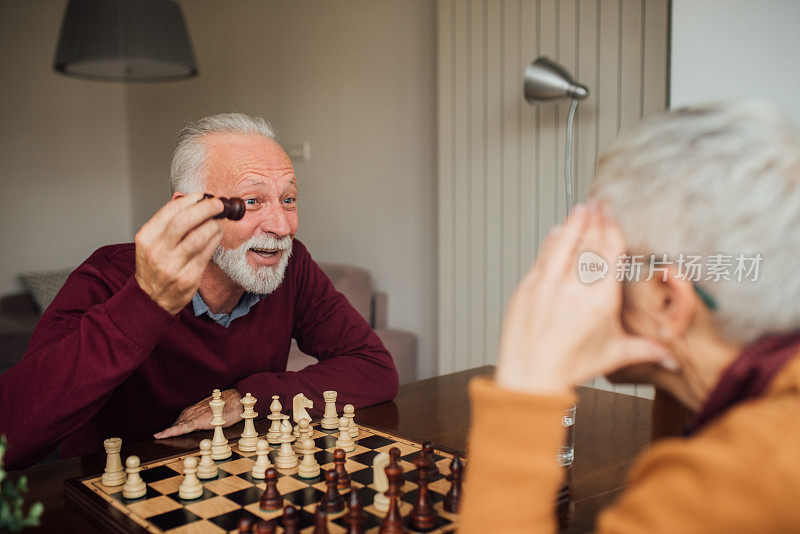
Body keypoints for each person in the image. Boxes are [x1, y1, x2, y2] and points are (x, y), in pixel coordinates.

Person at [460, 102, 800, 532]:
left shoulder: (734, 483)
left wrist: (527, 385)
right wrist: (672, 357)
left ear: (667, 300)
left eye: (605, 256)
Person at [0, 113, 398, 469]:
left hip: (241, 478)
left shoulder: (291, 268)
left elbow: (375, 367)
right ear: (187, 209)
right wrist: (147, 301)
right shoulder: (107, 275)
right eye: (252, 200)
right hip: (114, 493)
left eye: (288, 199)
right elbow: (11, 434)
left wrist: (248, 397)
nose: (282, 226)